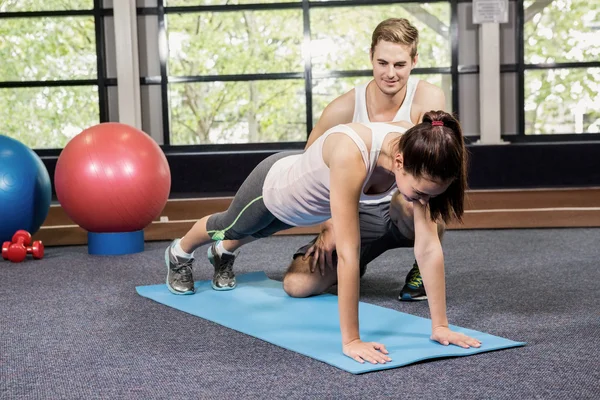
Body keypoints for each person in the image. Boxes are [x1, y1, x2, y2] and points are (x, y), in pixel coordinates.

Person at [164, 111, 481, 364]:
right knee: (229, 226)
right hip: (274, 190)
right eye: (421, 193)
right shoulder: (352, 155)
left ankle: (223, 254)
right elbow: (347, 255)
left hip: (305, 210)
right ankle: (180, 253)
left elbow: (427, 248)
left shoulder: (419, 152)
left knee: (259, 232)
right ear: (399, 163)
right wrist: (352, 340)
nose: (422, 202)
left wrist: (440, 326)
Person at [295, 17, 448, 301]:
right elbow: (309, 166)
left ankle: (421, 269)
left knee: (415, 197)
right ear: (371, 57)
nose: (390, 73)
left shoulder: (428, 97)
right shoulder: (343, 108)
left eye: (400, 64)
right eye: (383, 63)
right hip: (354, 212)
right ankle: (356, 258)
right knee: (297, 284)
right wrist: (330, 221)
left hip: (401, 208)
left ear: (414, 61)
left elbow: (433, 166)